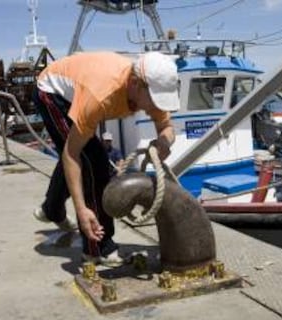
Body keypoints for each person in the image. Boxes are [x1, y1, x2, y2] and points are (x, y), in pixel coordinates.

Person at [32, 51, 179, 267]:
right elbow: (71, 154)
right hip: (52, 92)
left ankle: (51, 209)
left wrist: (164, 142)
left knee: (86, 154)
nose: (156, 107)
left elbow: (166, 127)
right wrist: (82, 210)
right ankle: (97, 248)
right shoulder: (101, 96)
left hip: (82, 84)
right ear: (136, 84)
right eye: (155, 99)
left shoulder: (146, 87)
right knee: (94, 162)